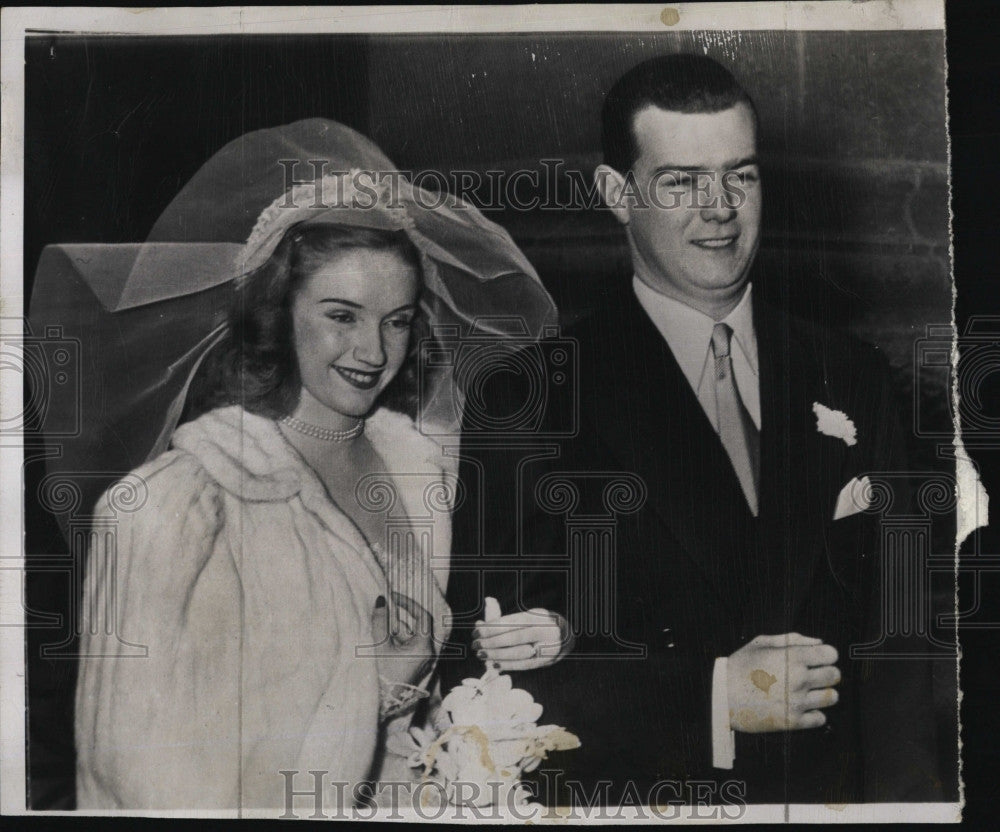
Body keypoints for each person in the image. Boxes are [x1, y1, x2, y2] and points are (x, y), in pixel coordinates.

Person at [441, 54, 945, 805]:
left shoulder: (854, 372)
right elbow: (482, 678)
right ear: (617, 193)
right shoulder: (531, 397)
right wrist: (711, 699)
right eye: (680, 182)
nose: (720, 208)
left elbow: (906, 649)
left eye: (740, 176)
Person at [30, 119, 559, 811]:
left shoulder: (427, 469)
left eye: (397, 320)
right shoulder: (175, 507)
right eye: (342, 315)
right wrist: (372, 688)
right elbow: (141, 781)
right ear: (278, 313)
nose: (373, 350)